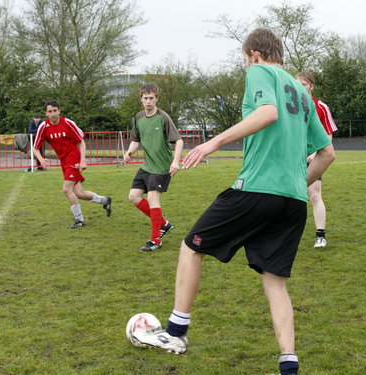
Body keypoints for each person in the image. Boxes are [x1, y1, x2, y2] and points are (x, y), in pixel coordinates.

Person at [133, 28, 335, 375]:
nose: (245, 65)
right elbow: (327, 154)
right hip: (293, 203)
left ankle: (177, 333)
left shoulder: (259, 70)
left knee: (190, 248)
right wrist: (296, 185)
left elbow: (268, 112)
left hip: (256, 189)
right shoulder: (302, 94)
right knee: (275, 282)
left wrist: (212, 143)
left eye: (244, 59)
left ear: (254, 53)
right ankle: (289, 363)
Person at [123, 83, 183, 252]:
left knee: (152, 199)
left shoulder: (163, 117)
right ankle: (163, 224)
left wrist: (175, 161)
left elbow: (178, 140)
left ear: (156, 99)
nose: (148, 101)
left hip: (161, 167)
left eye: (151, 98)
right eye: (145, 98)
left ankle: (156, 240)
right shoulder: (139, 117)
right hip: (147, 166)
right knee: (133, 197)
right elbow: (136, 140)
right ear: (141, 99)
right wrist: (129, 152)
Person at [33, 100, 112, 228]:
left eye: (55, 111)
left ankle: (79, 220)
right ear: (45, 113)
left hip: (74, 159)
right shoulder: (44, 127)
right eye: (49, 111)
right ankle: (105, 200)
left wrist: (83, 160)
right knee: (79, 193)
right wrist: (41, 159)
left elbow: (81, 141)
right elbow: (35, 148)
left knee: (66, 189)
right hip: (64, 162)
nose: (52, 114)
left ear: (59, 111)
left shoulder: (68, 123)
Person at [296, 72, 338, 248]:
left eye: (304, 84)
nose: (300, 88)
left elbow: (328, 134)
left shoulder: (320, 106)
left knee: (314, 195)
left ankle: (320, 236)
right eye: (297, 84)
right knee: (289, 196)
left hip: (313, 158)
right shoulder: (290, 105)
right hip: (292, 158)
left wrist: (315, 154)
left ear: (311, 86)